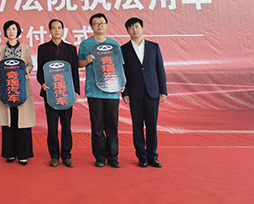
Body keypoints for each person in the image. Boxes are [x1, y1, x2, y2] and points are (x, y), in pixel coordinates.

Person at [78, 13, 124, 168]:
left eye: (102, 23)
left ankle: (113, 157)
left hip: (112, 91)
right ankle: (99, 156)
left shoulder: (114, 44)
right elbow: (78, 63)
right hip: (94, 91)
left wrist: (122, 84)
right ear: (91, 26)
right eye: (96, 23)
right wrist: (87, 60)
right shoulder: (86, 44)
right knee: (97, 126)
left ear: (106, 25)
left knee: (112, 126)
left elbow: (120, 66)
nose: (99, 26)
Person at [121, 17, 167, 168]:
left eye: (136, 26)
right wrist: (125, 93)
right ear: (127, 30)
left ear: (142, 28)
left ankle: (153, 156)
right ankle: (141, 156)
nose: (134, 30)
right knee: (137, 125)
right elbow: (123, 73)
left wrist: (163, 90)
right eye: (131, 27)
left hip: (152, 91)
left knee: (152, 125)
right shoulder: (124, 49)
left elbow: (160, 69)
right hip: (134, 93)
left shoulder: (154, 47)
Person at [37, 19, 80, 168]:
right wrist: (42, 83)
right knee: (52, 125)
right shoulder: (43, 48)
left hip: (66, 93)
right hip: (50, 93)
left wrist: (76, 91)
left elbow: (74, 71)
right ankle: (54, 156)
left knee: (66, 125)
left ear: (63, 30)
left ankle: (66, 155)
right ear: (49, 31)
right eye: (54, 28)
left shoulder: (71, 49)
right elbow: (40, 71)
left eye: (59, 27)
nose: (56, 30)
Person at [0, 20, 35, 166]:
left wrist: (27, 71)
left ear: (18, 31)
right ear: (5, 32)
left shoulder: (25, 48)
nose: (11, 31)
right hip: (7, 89)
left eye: (13, 29)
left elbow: (30, 64)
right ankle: (10, 153)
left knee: (22, 122)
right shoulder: (1, 49)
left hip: (21, 88)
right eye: (8, 29)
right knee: (8, 121)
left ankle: (23, 155)